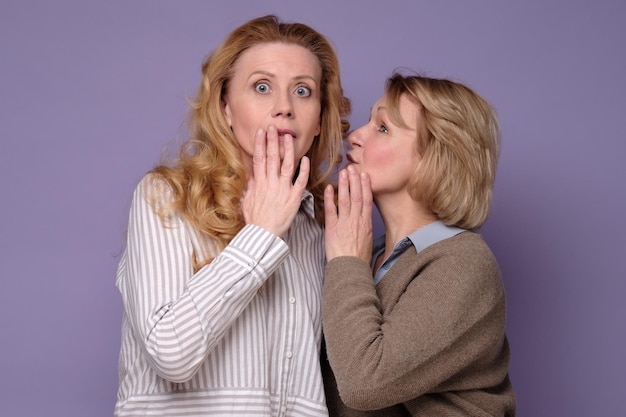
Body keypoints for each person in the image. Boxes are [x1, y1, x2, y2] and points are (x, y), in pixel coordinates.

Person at [113, 15, 350, 416]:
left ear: (320, 119)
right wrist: (261, 233)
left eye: (303, 91)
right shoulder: (165, 197)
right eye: (262, 87)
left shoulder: (322, 224)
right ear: (225, 108)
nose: (284, 108)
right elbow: (170, 354)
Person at [321, 72, 515, 416]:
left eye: (382, 128)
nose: (354, 136)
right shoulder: (367, 257)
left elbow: (363, 384)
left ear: (433, 157)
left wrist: (346, 260)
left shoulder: (464, 263)